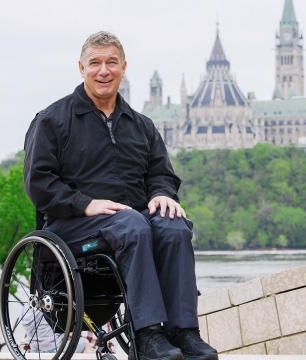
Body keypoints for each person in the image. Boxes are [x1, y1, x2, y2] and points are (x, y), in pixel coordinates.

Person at [23, 31, 218, 360]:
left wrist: (162, 193)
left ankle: (184, 331)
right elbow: (39, 182)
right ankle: (148, 335)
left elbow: (161, 172)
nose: (103, 70)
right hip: (71, 226)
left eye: (111, 62)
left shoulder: (141, 125)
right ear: (81, 68)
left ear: (123, 67)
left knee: (174, 226)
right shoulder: (53, 121)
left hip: (132, 222)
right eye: (95, 63)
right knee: (131, 223)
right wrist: (86, 204)